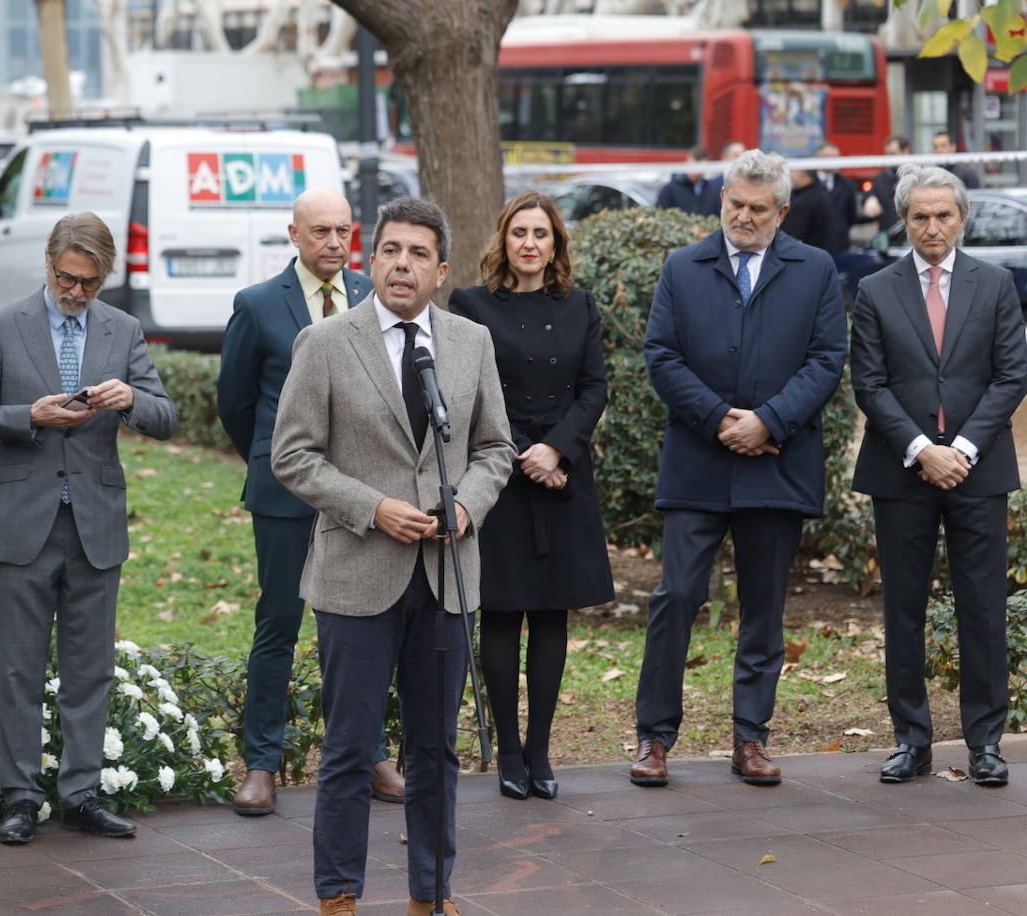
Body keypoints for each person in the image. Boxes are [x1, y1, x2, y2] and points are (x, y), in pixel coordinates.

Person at [272, 197, 514, 916]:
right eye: (389, 251)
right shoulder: (325, 343)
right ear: (368, 259)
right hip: (357, 574)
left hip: (445, 579)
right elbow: (292, 455)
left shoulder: (470, 343)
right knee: (349, 750)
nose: (401, 264)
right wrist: (371, 507)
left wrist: (465, 504)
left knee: (435, 752)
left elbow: (496, 447)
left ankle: (430, 895)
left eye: (417, 255)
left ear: (441, 271)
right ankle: (338, 895)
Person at [0, 211, 178, 844]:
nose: (77, 292)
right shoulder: (2, 325)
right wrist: (30, 415)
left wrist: (130, 400)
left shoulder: (124, 329)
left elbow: (165, 415)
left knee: (90, 668)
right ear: (48, 264)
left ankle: (81, 792)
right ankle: (20, 797)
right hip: (22, 522)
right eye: (67, 279)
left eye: (90, 283)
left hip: (96, 524)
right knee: (19, 669)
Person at [631, 150, 847, 788]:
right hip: (698, 463)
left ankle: (750, 738)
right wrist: (725, 417)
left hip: (777, 467)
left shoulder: (815, 269)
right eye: (735, 205)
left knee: (764, 606)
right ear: (722, 198)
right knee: (676, 599)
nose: (743, 218)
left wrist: (770, 421)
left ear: (782, 212)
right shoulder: (682, 266)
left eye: (758, 209)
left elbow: (827, 358)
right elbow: (661, 355)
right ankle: (653, 739)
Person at [217, 188, 405, 816]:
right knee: (279, 625)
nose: (333, 242)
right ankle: (262, 764)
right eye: (320, 230)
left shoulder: (371, 298)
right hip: (286, 494)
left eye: (343, 231)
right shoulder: (257, 305)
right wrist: (276, 466)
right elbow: (236, 404)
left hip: (360, 496)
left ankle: (368, 752)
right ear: (293, 235)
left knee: (359, 627)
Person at [849, 164, 1027, 786]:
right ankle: (911, 740)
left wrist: (965, 448)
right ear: (903, 220)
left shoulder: (996, 283)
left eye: (943, 215)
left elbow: (1012, 374)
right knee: (904, 610)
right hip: (903, 472)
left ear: (961, 218)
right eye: (920, 216)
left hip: (977, 471)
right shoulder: (875, 289)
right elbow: (867, 383)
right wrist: (924, 448)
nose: (932, 227)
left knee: (983, 610)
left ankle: (985, 745)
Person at [448, 192, 613, 802]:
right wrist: (524, 452)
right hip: (499, 476)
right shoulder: (470, 306)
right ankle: (509, 753)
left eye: (540, 234)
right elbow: (470, 390)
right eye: (519, 232)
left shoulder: (579, 306)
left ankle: (541, 750)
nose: (529, 243)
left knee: (551, 616)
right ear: (502, 239)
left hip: (564, 476)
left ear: (555, 244)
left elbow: (594, 388)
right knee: (502, 610)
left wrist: (558, 451)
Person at [816, 141, 858, 256]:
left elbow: (852, 216)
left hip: (839, 247)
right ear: (820, 159)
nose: (838, 161)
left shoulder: (847, 185)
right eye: (833, 158)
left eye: (838, 157)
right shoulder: (810, 184)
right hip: (814, 247)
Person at [655, 145, 721, 217]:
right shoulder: (670, 189)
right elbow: (660, 215)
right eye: (694, 164)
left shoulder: (712, 190)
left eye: (701, 167)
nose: (697, 171)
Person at [779, 168, 831, 252]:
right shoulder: (819, 193)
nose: (790, 175)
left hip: (806, 252)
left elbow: (793, 234)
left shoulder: (805, 200)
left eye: (793, 171)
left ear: (804, 174)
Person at [867, 135, 911, 231]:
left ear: (906, 151)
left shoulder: (918, 175)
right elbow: (872, 194)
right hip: (888, 233)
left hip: (911, 233)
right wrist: (870, 199)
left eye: (893, 154)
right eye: (888, 154)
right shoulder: (882, 176)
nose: (889, 158)